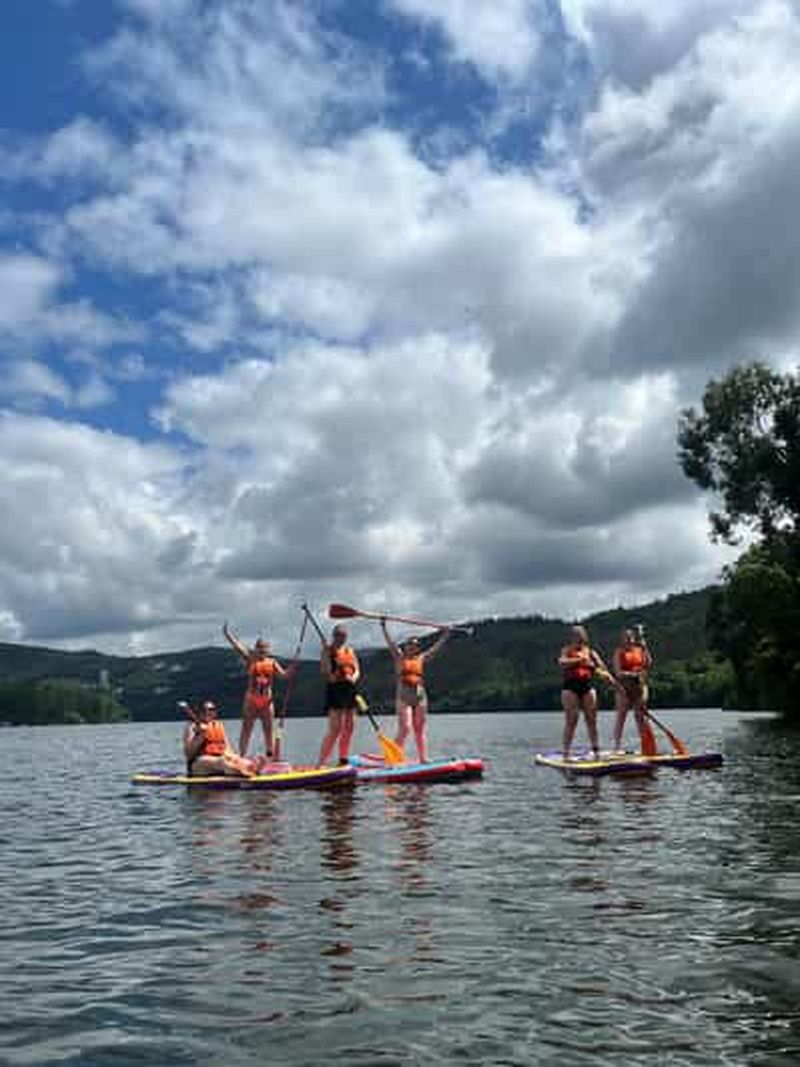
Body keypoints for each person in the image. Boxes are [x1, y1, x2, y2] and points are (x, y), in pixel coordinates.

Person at [380, 618, 450, 762]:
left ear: (417, 648)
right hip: (403, 696)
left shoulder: (421, 658)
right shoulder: (399, 657)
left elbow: (435, 648)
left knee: (419, 730)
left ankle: (423, 758)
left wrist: (445, 635)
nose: (412, 647)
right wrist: (384, 627)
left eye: (415, 645)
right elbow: (391, 644)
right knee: (405, 728)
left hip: (420, 696)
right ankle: (392, 758)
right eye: (410, 644)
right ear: (405, 646)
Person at [223, 622, 292, 758]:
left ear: (268, 650)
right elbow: (238, 647)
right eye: (259, 648)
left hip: (267, 701)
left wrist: (291, 669)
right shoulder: (251, 660)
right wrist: (228, 635)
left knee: (268, 729)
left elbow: (283, 676)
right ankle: (242, 756)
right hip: (251, 700)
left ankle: (270, 755)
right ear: (256, 649)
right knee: (246, 729)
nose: (262, 651)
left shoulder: (272, 662)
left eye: (264, 648)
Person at [558, 624, 614, 760]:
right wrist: (579, 660)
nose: (578, 637)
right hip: (570, 687)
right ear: (572, 637)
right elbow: (562, 662)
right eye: (575, 635)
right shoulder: (566, 650)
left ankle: (596, 750)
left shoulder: (591, 652)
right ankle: (566, 752)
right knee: (572, 720)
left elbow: (602, 668)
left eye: (580, 634)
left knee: (591, 720)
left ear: (584, 636)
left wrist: (608, 677)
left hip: (587, 686)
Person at [183, 700, 265, 777]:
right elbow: (189, 754)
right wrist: (201, 736)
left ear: (215, 713)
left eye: (211, 710)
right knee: (222, 762)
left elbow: (227, 749)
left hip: (219, 759)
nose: (207, 712)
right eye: (204, 710)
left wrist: (236, 759)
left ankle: (251, 767)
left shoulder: (218, 725)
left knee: (237, 760)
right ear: (199, 712)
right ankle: (241, 772)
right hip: (199, 765)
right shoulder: (192, 727)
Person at [317, 623, 361, 767]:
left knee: (349, 727)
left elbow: (357, 670)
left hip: (350, 689)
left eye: (343, 635)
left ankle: (343, 759)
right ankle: (321, 763)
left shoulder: (350, 650)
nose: (340, 638)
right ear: (333, 636)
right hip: (335, 690)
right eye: (337, 635)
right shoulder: (327, 650)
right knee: (335, 728)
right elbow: (325, 672)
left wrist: (353, 678)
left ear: (346, 636)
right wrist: (327, 655)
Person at [612, 625, 655, 753]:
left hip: (640, 687)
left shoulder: (640, 650)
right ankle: (616, 748)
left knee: (641, 717)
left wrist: (645, 647)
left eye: (631, 637)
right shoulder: (619, 652)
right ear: (622, 639)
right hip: (624, 689)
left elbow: (649, 663)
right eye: (626, 637)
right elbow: (618, 673)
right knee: (621, 717)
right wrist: (633, 674)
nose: (629, 639)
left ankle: (647, 747)